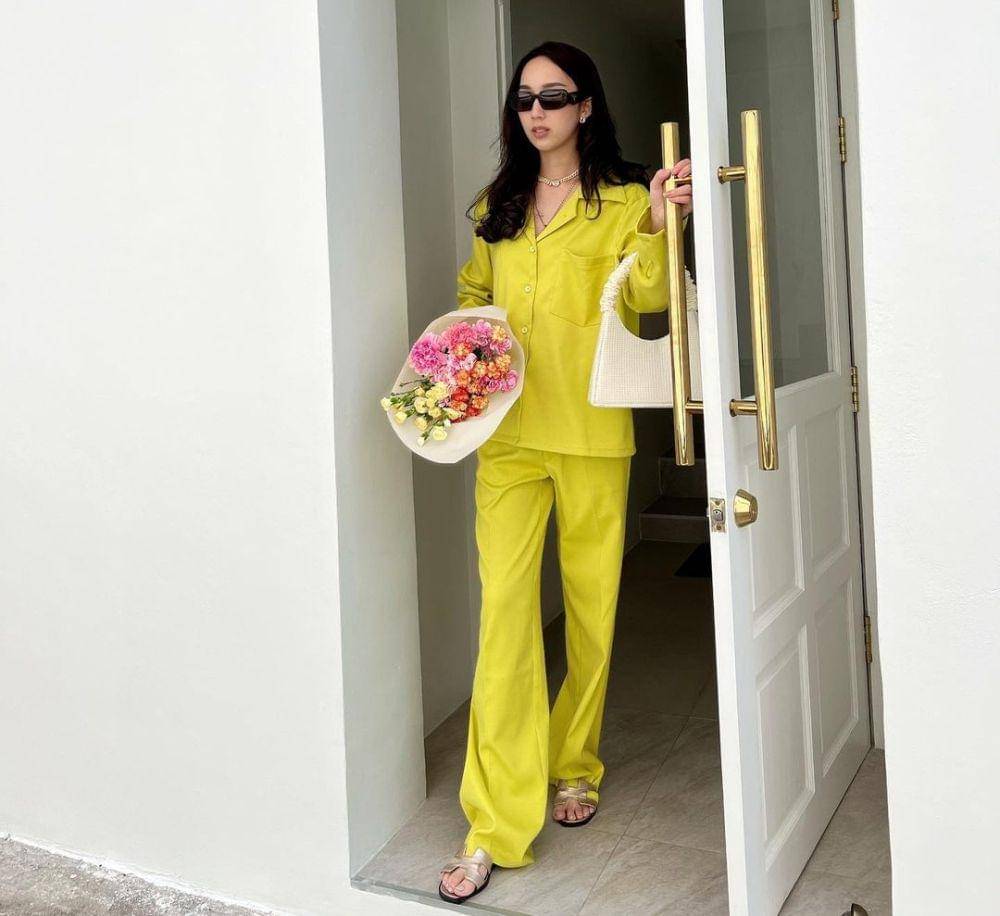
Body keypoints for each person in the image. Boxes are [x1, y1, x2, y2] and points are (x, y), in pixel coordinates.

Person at [437, 40, 693, 904]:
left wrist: (656, 225)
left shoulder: (623, 200)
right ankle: (492, 825)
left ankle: (575, 761)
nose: (537, 112)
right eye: (524, 99)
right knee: (505, 621)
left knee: (590, 611)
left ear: (586, 106)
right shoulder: (496, 206)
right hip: (508, 439)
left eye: (554, 96)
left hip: (590, 431)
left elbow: (650, 300)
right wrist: (463, 350)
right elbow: (473, 296)